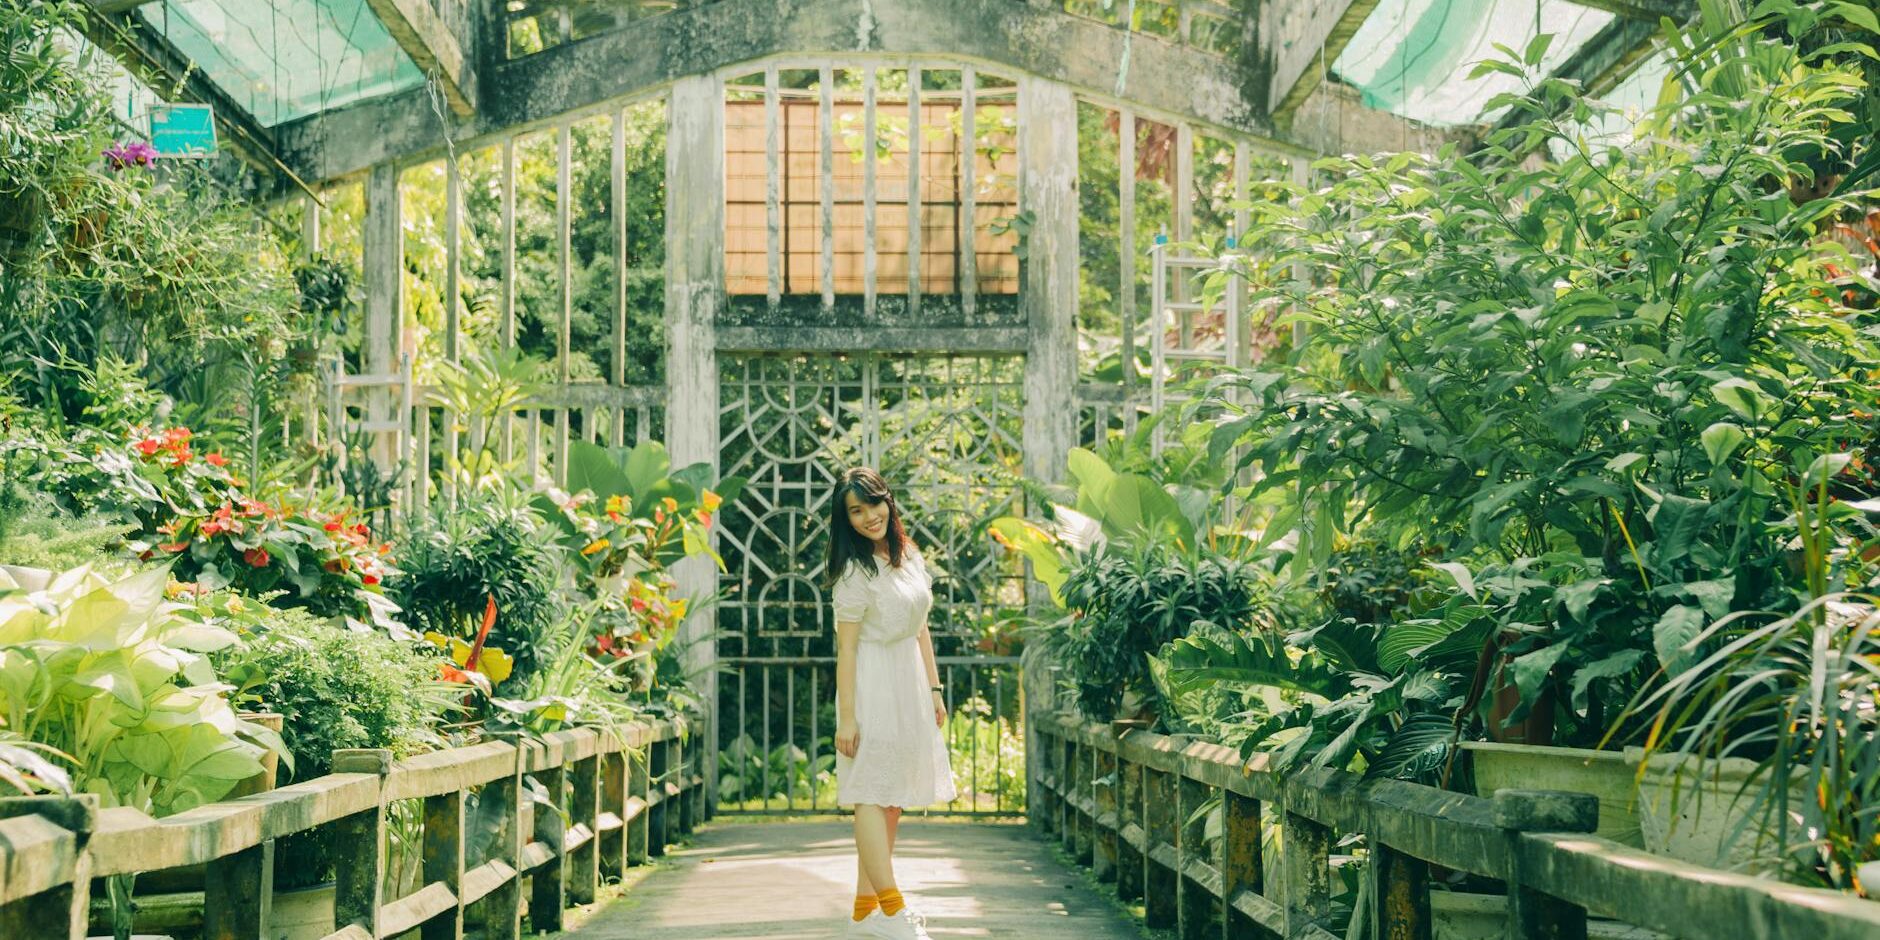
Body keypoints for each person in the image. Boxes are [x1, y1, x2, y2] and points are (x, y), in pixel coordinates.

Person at [827, 466, 956, 940]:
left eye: (872, 504)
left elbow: (921, 628)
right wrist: (847, 717)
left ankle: (865, 912)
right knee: (869, 788)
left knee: (894, 796)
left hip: (909, 682)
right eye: (855, 511)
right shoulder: (852, 573)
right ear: (846, 521)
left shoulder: (908, 557)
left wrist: (934, 689)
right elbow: (847, 650)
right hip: (872, 682)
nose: (867, 517)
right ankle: (893, 907)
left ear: (888, 501)